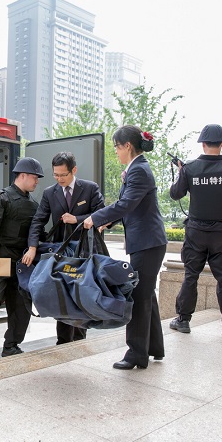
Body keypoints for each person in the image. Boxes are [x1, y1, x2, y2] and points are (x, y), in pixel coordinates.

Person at [84, 126, 168, 370]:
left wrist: (95, 217)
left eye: (116, 147)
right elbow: (131, 206)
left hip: (147, 243)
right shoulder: (137, 168)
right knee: (146, 294)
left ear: (127, 146)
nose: (116, 152)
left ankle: (136, 354)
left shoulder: (139, 170)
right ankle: (153, 347)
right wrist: (109, 221)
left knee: (139, 297)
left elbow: (126, 203)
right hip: (148, 242)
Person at [169, 124, 222, 338]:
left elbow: (175, 194)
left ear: (203, 144)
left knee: (191, 276)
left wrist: (181, 173)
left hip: (195, 232)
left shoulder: (190, 168)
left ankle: (183, 320)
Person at [23, 151, 105, 344]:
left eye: (63, 175)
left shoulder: (90, 188)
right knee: (62, 294)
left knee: (82, 294)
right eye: (56, 175)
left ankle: (79, 341)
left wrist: (77, 219)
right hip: (61, 254)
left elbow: (102, 214)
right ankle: (62, 342)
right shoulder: (49, 193)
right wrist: (32, 247)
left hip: (85, 253)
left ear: (73, 170)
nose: (59, 179)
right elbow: (38, 221)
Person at [0, 157, 43, 357]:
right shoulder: (1, 198)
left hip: (22, 263)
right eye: (35, 177)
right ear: (23, 176)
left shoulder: (33, 204)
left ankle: (11, 346)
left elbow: (36, 232)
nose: (37, 181)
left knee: (22, 307)